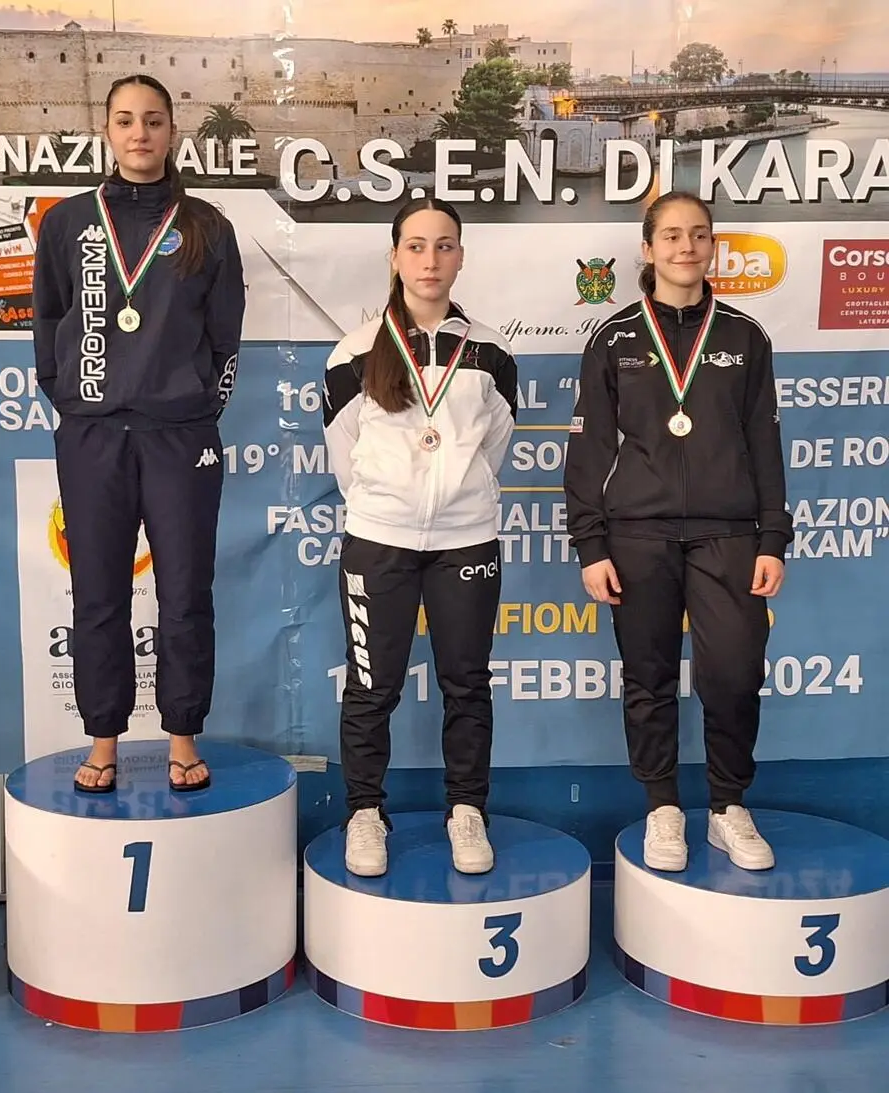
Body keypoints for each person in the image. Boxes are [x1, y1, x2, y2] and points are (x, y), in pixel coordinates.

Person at [563, 191, 792, 873]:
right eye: (670, 235)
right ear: (648, 248)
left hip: (730, 533)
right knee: (649, 676)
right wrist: (591, 545)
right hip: (638, 534)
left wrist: (772, 538)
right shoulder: (613, 338)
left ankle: (727, 807)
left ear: (713, 246)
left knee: (735, 675)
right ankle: (662, 806)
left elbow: (765, 444)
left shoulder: (745, 337)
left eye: (698, 234)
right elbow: (588, 450)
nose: (685, 247)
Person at [32, 75, 246, 794]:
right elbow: (46, 321)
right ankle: (103, 741)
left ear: (172, 131)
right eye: (125, 120)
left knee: (185, 592)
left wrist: (194, 409)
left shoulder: (206, 225)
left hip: (180, 437)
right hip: (92, 436)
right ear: (107, 131)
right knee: (97, 594)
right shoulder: (67, 222)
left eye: (153, 120)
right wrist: (75, 398)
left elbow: (226, 336)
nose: (140, 133)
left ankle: (183, 734)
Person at [322, 197, 517, 877]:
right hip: (380, 538)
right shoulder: (353, 351)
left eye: (444, 245)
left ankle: (467, 809)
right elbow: (345, 454)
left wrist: (456, 498)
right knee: (371, 686)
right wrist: (393, 505)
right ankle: (365, 812)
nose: (430, 260)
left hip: (467, 540)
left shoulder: (491, 351)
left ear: (460, 256)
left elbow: (493, 448)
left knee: (467, 682)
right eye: (416, 246)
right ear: (394, 256)